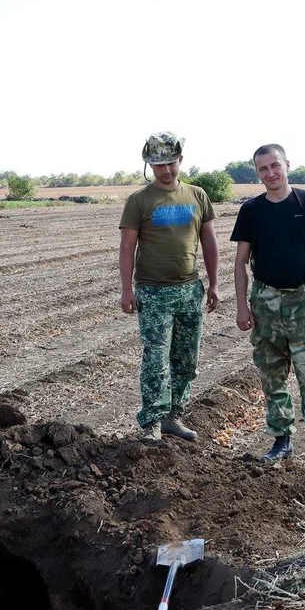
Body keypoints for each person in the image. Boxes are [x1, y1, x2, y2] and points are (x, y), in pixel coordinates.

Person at [231, 143, 305, 467]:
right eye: (263, 169)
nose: (270, 173)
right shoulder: (252, 210)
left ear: (287, 165)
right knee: (272, 377)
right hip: (265, 303)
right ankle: (281, 441)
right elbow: (241, 261)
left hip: (303, 301)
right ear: (257, 173)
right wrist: (243, 306)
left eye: (275, 166)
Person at [118, 132, 220, 442]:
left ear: (180, 161)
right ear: (150, 164)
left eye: (171, 163)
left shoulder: (197, 195)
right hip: (153, 292)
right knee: (156, 359)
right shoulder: (139, 201)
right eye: (159, 164)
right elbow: (127, 247)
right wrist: (126, 289)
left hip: (189, 290)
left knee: (186, 358)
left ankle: (174, 415)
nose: (166, 170)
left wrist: (214, 283)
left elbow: (209, 240)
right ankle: (152, 420)